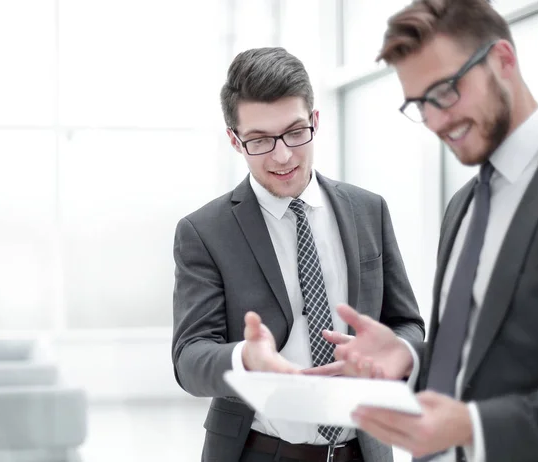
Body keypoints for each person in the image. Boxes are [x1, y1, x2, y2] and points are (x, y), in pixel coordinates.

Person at [322, 0, 538, 461]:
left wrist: (475, 426)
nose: (437, 121)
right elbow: (484, 358)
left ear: (503, 59)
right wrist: (412, 358)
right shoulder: (462, 206)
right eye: (420, 105)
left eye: (445, 91)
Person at [171, 47, 425, 462]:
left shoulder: (369, 210)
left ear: (315, 121)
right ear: (236, 141)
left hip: (365, 450)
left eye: (294, 132)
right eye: (259, 140)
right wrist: (245, 359)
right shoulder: (204, 232)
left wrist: (390, 356)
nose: (283, 155)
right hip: (258, 451)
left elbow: (407, 322)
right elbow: (189, 357)